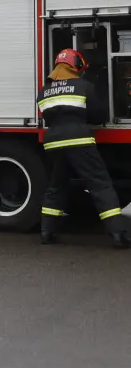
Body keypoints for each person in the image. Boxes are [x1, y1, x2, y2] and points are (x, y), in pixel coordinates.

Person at [37, 48, 129, 248]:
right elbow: (98, 115)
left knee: (56, 185)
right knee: (100, 184)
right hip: (78, 139)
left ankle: (46, 232)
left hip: (52, 141)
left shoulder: (44, 90)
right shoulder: (84, 86)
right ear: (76, 65)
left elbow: (47, 116)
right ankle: (118, 234)